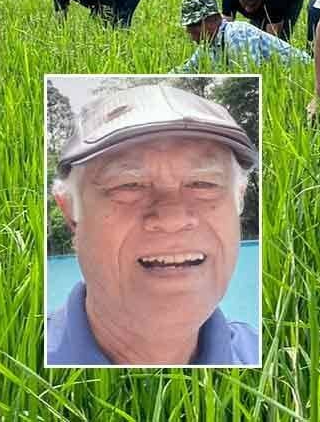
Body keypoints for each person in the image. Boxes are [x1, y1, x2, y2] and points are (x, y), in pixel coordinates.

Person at [47, 84, 260, 366]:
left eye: (204, 183)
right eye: (129, 185)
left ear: (238, 200)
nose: (173, 219)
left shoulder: (281, 366)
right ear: (71, 213)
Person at [175, 0, 311, 73]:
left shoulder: (236, 34)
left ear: (213, 20)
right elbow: (187, 69)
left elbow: (250, 75)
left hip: (304, 73)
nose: (189, 31)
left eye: (194, 25)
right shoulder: (210, 42)